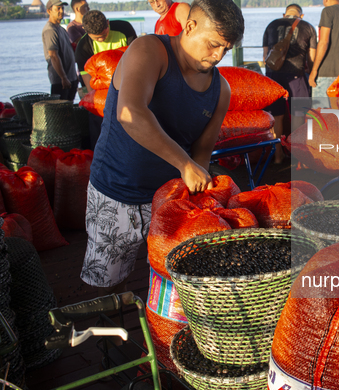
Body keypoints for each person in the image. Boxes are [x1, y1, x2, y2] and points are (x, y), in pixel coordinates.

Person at [80, 0, 243, 295]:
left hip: (170, 201)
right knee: (106, 284)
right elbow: (130, 113)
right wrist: (184, 165)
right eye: (213, 44)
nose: (219, 55)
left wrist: (198, 188)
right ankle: (108, 338)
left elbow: (202, 151)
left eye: (226, 49)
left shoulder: (222, 90)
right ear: (190, 26)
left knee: (175, 285)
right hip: (116, 192)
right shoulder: (149, 50)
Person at [262, 3, 316, 163]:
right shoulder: (308, 27)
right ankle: (298, 159)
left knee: (276, 118)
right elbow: (311, 58)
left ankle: (278, 156)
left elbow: (266, 56)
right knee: (299, 116)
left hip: (273, 77)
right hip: (297, 77)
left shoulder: (270, 25)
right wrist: (312, 75)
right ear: (301, 16)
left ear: (284, 14)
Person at [76, 10, 137, 149]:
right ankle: (98, 151)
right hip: (103, 92)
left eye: (104, 34)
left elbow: (137, 56)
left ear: (108, 23)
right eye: (97, 38)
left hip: (129, 83)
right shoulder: (83, 47)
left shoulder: (124, 29)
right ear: (85, 30)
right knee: (97, 122)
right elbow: (88, 81)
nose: (101, 39)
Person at [308, 0, 339, 98]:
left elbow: (324, 42)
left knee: (321, 112)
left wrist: (314, 70)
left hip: (326, 72)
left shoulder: (328, 11)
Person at [41, 0, 78, 100]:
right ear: (49, 11)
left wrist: (74, 76)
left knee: (69, 110)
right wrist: (63, 78)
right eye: (58, 8)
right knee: (60, 112)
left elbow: (69, 52)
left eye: (62, 8)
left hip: (71, 78)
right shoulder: (50, 30)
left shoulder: (61, 29)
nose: (61, 11)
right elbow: (53, 56)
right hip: (61, 81)